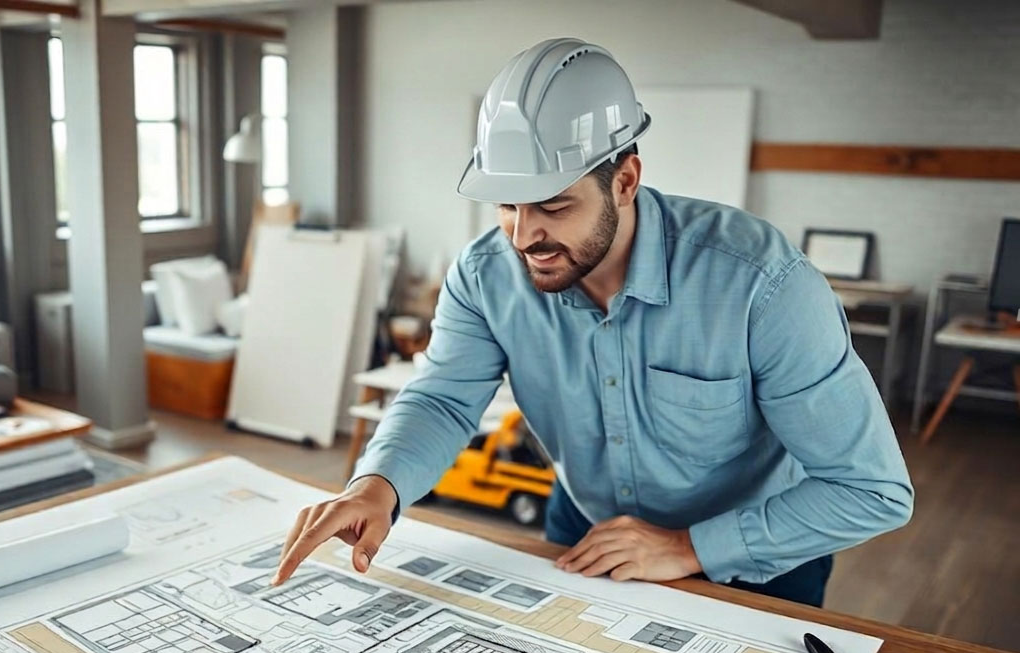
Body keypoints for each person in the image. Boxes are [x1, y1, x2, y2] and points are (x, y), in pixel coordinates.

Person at [272, 38, 912, 607]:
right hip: (586, 528)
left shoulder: (762, 285)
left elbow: (872, 490)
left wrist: (687, 548)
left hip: (756, 559)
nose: (524, 237)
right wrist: (376, 484)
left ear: (626, 180)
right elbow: (442, 400)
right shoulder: (485, 274)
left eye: (553, 205)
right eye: (506, 206)